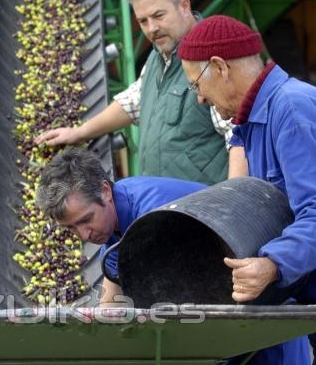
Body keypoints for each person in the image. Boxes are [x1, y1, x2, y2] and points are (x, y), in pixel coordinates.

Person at [36, 146, 310, 365]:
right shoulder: (113, 219)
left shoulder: (155, 216)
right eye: (71, 228)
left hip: (259, 328)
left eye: (85, 220)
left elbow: (184, 321)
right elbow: (113, 291)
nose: (83, 235)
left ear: (105, 191)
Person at [177, 14, 316, 361]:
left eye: (196, 85)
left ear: (219, 67)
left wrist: (272, 264)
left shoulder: (291, 108)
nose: (200, 99)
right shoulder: (253, 122)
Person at [36, 0, 244, 183]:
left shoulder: (209, 59)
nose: (152, 28)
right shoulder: (159, 56)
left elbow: (238, 139)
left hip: (201, 205)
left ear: (184, 6)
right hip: (160, 201)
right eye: (143, 21)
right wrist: (81, 132)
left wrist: (230, 202)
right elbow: (134, 101)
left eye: (158, 15)